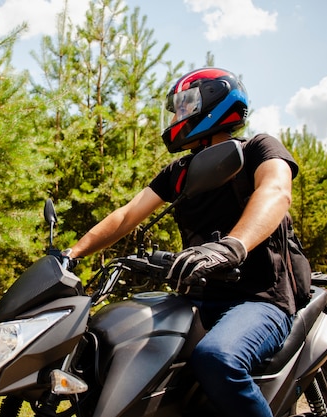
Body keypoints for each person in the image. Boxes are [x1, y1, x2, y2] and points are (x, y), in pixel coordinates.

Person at [66, 67, 299, 417]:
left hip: (261, 298)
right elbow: (127, 216)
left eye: (183, 106)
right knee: (119, 347)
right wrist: (72, 254)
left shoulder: (257, 149)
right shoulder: (180, 172)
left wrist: (232, 245)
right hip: (200, 299)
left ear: (213, 103)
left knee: (217, 359)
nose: (175, 116)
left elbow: (276, 191)